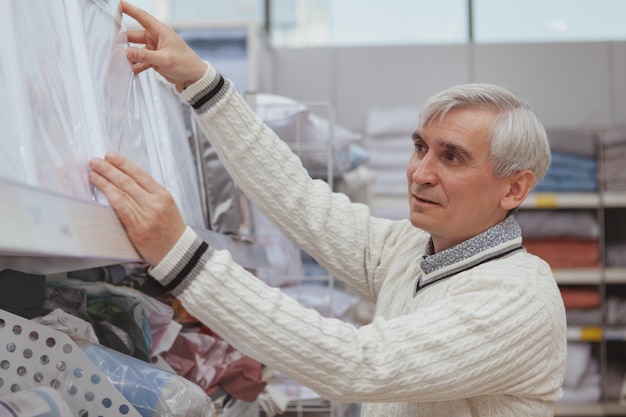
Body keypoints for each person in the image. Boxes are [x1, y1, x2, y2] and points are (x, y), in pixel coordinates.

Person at [88, 2, 567, 416]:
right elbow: (303, 202)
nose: (420, 172)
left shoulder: (515, 300)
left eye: (452, 157)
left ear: (514, 189)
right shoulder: (416, 250)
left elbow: (360, 364)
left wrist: (182, 256)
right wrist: (201, 83)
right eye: (420, 147)